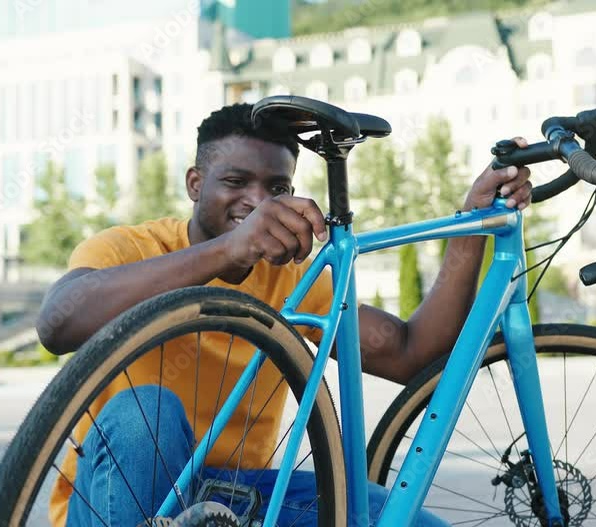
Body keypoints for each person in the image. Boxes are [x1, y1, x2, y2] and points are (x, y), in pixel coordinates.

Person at [38, 103, 533, 527]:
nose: (257, 203)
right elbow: (58, 324)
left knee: (398, 518)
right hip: (123, 487)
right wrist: (229, 250)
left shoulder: (291, 278)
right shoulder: (128, 248)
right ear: (195, 184)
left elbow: (409, 353)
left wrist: (473, 225)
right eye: (236, 182)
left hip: (234, 497)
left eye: (277, 188)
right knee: (148, 412)